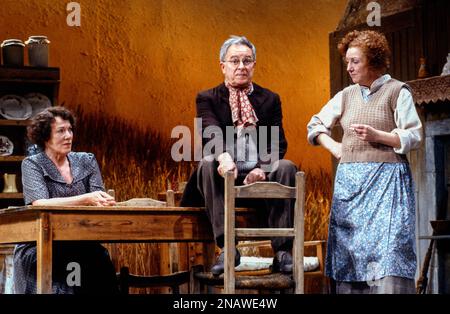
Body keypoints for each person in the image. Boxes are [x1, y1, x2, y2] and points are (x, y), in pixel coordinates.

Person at [307, 30, 422, 293]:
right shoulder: (346, 95)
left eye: (355, 61)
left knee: (391, 249)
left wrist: (378, 135)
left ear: (373, 61)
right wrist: (335, 147)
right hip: (351, 186)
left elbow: (415, 136)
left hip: (387, 183)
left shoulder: (396, 91)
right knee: (351, 254)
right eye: (347, 61)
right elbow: (315, 125)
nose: (349, 67)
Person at [180, 35, 297, 276]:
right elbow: (210, 132)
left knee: (286, 166)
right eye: (234, 61)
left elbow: (277, 141)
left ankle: (283, 252)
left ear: (254, 65)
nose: (241, 66)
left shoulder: (270, 99)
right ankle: (228, 248)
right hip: (224, 178)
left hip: (257, 179)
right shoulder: (208, 97)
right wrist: (224, 158)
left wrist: (262, 169)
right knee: (207, 162)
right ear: (223, 66)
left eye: (247, 61)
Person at [13, 106, 118, 294]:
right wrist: (86, 198)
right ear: (45, 136)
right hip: (41, 242)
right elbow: (39, 203)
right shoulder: (32, 164)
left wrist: (99, 200)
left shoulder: (86, 160)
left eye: (70, 130)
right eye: (61, 131)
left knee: (99, 257)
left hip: (80, 240)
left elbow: (98, 200)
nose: (68, 135)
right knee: (62, 261)